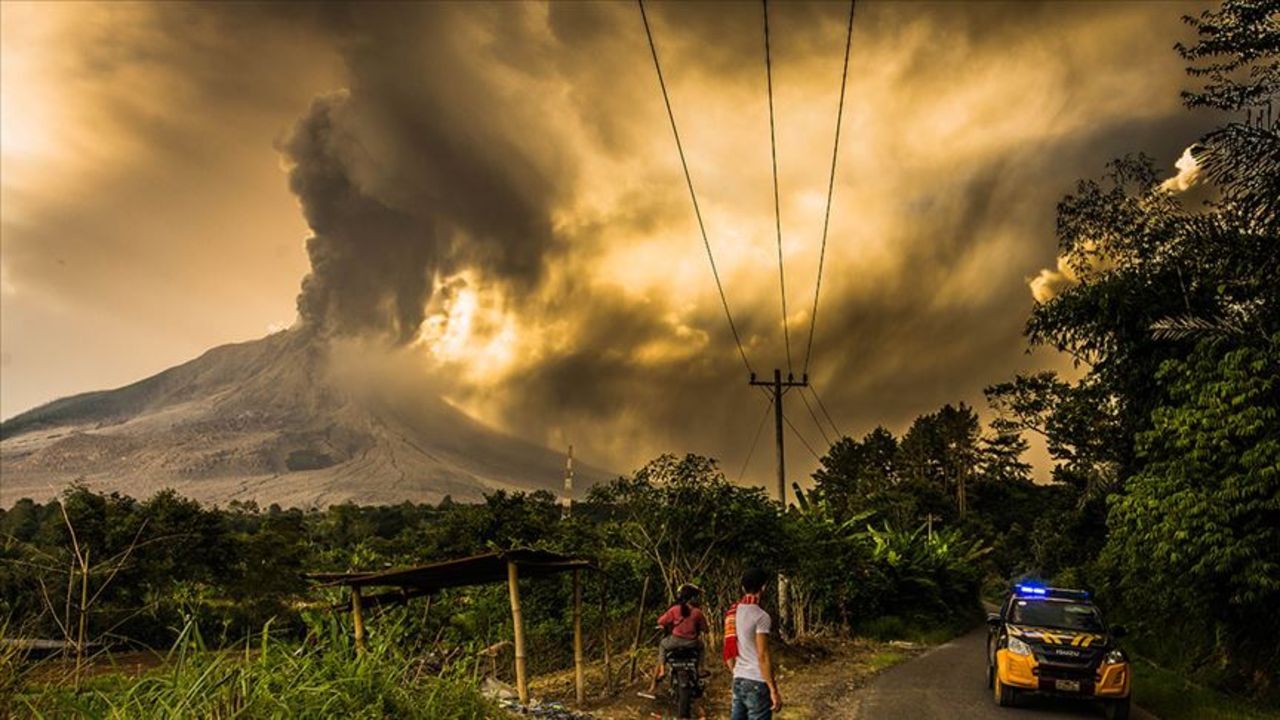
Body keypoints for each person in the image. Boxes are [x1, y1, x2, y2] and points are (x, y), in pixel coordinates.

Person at [723, 567, 781, 720]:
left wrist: (737, 673)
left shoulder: (732, 613)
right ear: (763, 587)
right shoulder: (761, 616)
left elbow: (728, 651)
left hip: (738, 679)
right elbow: (762, 655)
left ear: (743, 588)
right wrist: (773, 690)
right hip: (757, 681)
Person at [645, 583, 707, 695]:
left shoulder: (674, 609)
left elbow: (660, 621)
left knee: (662, 647)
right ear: (692, 598)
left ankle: (661, 673)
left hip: (674, 641)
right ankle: (700, 669)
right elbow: (705, 629)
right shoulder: (698, 612)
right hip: (692, 643)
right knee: (701, 646)